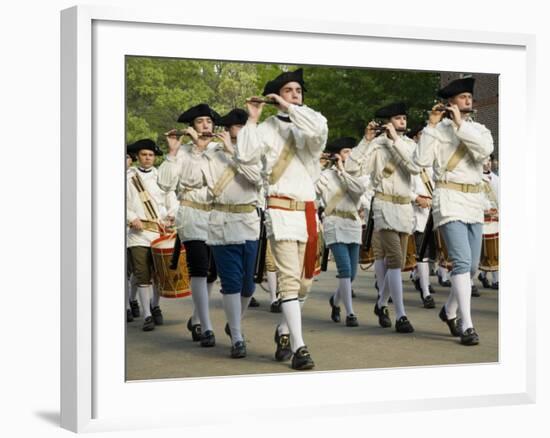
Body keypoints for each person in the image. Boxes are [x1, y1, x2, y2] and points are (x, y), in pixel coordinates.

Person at [238, 68, 328, 370]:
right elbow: (246, 154)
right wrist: (252, 117)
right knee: (289, 283)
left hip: (308, 214)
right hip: (280, 212)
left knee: (305, 285)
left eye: (298, 91)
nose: (294, 95)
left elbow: (319, 132)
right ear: (277, 95)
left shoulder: (311, 123)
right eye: (288, 90)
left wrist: (290, 107)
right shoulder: (266, 128)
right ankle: (301, 348)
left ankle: (285, 331)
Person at [414, 77, 494, 346]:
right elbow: (420, 162)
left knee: (470, 267)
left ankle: (448, 311)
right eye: (462, 98)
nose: (467, 100)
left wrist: (460, 124)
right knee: (461, 263)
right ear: (450, 103)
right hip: (448, 200)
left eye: (469, 97)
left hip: (474, 202)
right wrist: (431, 125)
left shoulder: (480, 130)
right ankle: (467, 325)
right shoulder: (435, 132)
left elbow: (485, 152)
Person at [179, 108, 262, 358]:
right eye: (236, 127)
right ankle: (237, 336)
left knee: (249, 286)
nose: (240, 131)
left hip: (249, 222)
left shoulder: (255, 152)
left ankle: (233, 322)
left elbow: (258, 180)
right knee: (231, 283)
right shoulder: (211, 153)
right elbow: (191, 181)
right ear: (227, 129)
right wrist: (198, 150)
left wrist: (233, 154)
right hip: (221, 223)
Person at [345, 102, 419, 333]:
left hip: (405, 208)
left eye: (404, 118)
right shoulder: (376, 145)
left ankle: (380, 304)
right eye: (398, 118)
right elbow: (352, 169)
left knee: (397, 262)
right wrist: (366, 140)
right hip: (385, 205)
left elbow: (416, 168)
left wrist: (395, 140)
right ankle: (401, 315)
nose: (402, 122)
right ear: (388, 122)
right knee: (395, 259)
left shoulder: (408, 144)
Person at [158, 104, 220, 347]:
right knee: (199, 268)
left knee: (213, 273)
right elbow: (164, 184)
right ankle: (206, 327)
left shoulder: (219, 149)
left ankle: (196, 318)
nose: (205, 125)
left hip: (216, 216)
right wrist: (173, 152)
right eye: (200, 122)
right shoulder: (182, 152)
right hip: (191, 213)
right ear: (191, 127)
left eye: (209, 121)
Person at [317, 137, 369, 326]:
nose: (350, 155)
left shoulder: (358, 174)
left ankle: (335, 301)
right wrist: (318, 164)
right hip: (334, 222)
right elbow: (313, 189)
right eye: (346, 151)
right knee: (345, 270)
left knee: (352, 273)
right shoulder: (325, 176)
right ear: (337, 154)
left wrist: (343, 172)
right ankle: (351, 313)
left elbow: (358, 191)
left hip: (353, 223)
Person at [126, 139, 173, 331]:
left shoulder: (161, 177)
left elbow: (171, 199)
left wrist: (172, 215)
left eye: (151, 155)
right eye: (144, 154)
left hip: (158, 232)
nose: (147, 158)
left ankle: (155, 305)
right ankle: (146, 314)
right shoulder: (127, 178)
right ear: (137, 156)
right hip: (137, 233)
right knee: (142, 274)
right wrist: (130, 217)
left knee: (159, 273)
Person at [407, 125, 436, 309]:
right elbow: (403, 187)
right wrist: (416, 198)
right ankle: (425, 292)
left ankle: (418, 277)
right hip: (417, 214)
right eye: (421, 137)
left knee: (433, 255)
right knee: (422, 255)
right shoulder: (410, 162)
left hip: (434, 213)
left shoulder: (433, 162)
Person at [477, 155, 500, 289]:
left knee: (496, 250)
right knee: (483, 251)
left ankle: (496, 280)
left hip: (496, 218)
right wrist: (485, 210)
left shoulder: (497, 179)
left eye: (489, 160)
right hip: (482, 218)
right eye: (484, 160)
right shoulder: (476, 179)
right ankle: (482, 275)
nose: (487, 163)